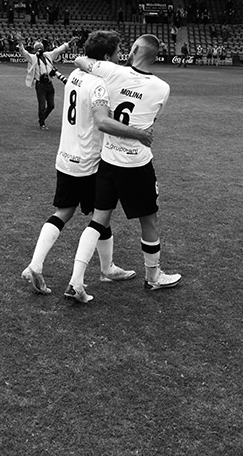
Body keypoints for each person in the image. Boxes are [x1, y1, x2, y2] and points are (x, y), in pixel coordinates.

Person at [21, 31, 153, 295]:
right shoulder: (99, 84)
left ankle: (35, 265)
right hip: (89, 161)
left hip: (65, 157)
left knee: (63, 211)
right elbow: (102, 121)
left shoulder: (76, 75)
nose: (120, 55)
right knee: (101, 215)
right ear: (106, 56)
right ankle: (95, 274)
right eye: (117, 51)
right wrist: (139, 134)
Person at [64, 34, 180, 303]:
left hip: (107, 161)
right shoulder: (162, 88)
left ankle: (76, 280)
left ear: (135, 49)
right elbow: (150, 123)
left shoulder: (111, 71)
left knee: (99, 220)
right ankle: (153, 277)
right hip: (136, 164)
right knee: (148, 220)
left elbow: (81, 60)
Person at [16, 33, 71, 130]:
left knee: (51, 105)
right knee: (41, 105)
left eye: (40, 47)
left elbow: (58, 50)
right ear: (34, 50)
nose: (39, 49)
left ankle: (42, 118)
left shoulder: (48, 56)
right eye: (37, 48)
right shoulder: (33, 58)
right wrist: (20, 42)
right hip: (40, 85)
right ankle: (42, 123)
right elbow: (23, 52)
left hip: (49, 84)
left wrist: (69, 43)